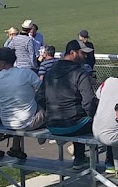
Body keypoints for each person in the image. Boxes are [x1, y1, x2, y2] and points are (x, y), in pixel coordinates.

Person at [36, 40, 97, 169]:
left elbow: (39, 97)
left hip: (52, 124)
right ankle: (110, 163)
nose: (86, 57)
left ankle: (79, 158)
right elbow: (89, 102)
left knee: (76, 117)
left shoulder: (50, 71)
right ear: (73, 53)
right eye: (83, 53)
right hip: (73, 125)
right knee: (105, 124)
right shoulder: (80, 73)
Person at [0, 46, 44, 160]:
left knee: (22, 110)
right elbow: (43, 89)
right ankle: (42, 137)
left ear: (3, 63)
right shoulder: (26, 73)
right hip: (26, 122)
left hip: (7, 121)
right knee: (43, 107)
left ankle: (16, 147)